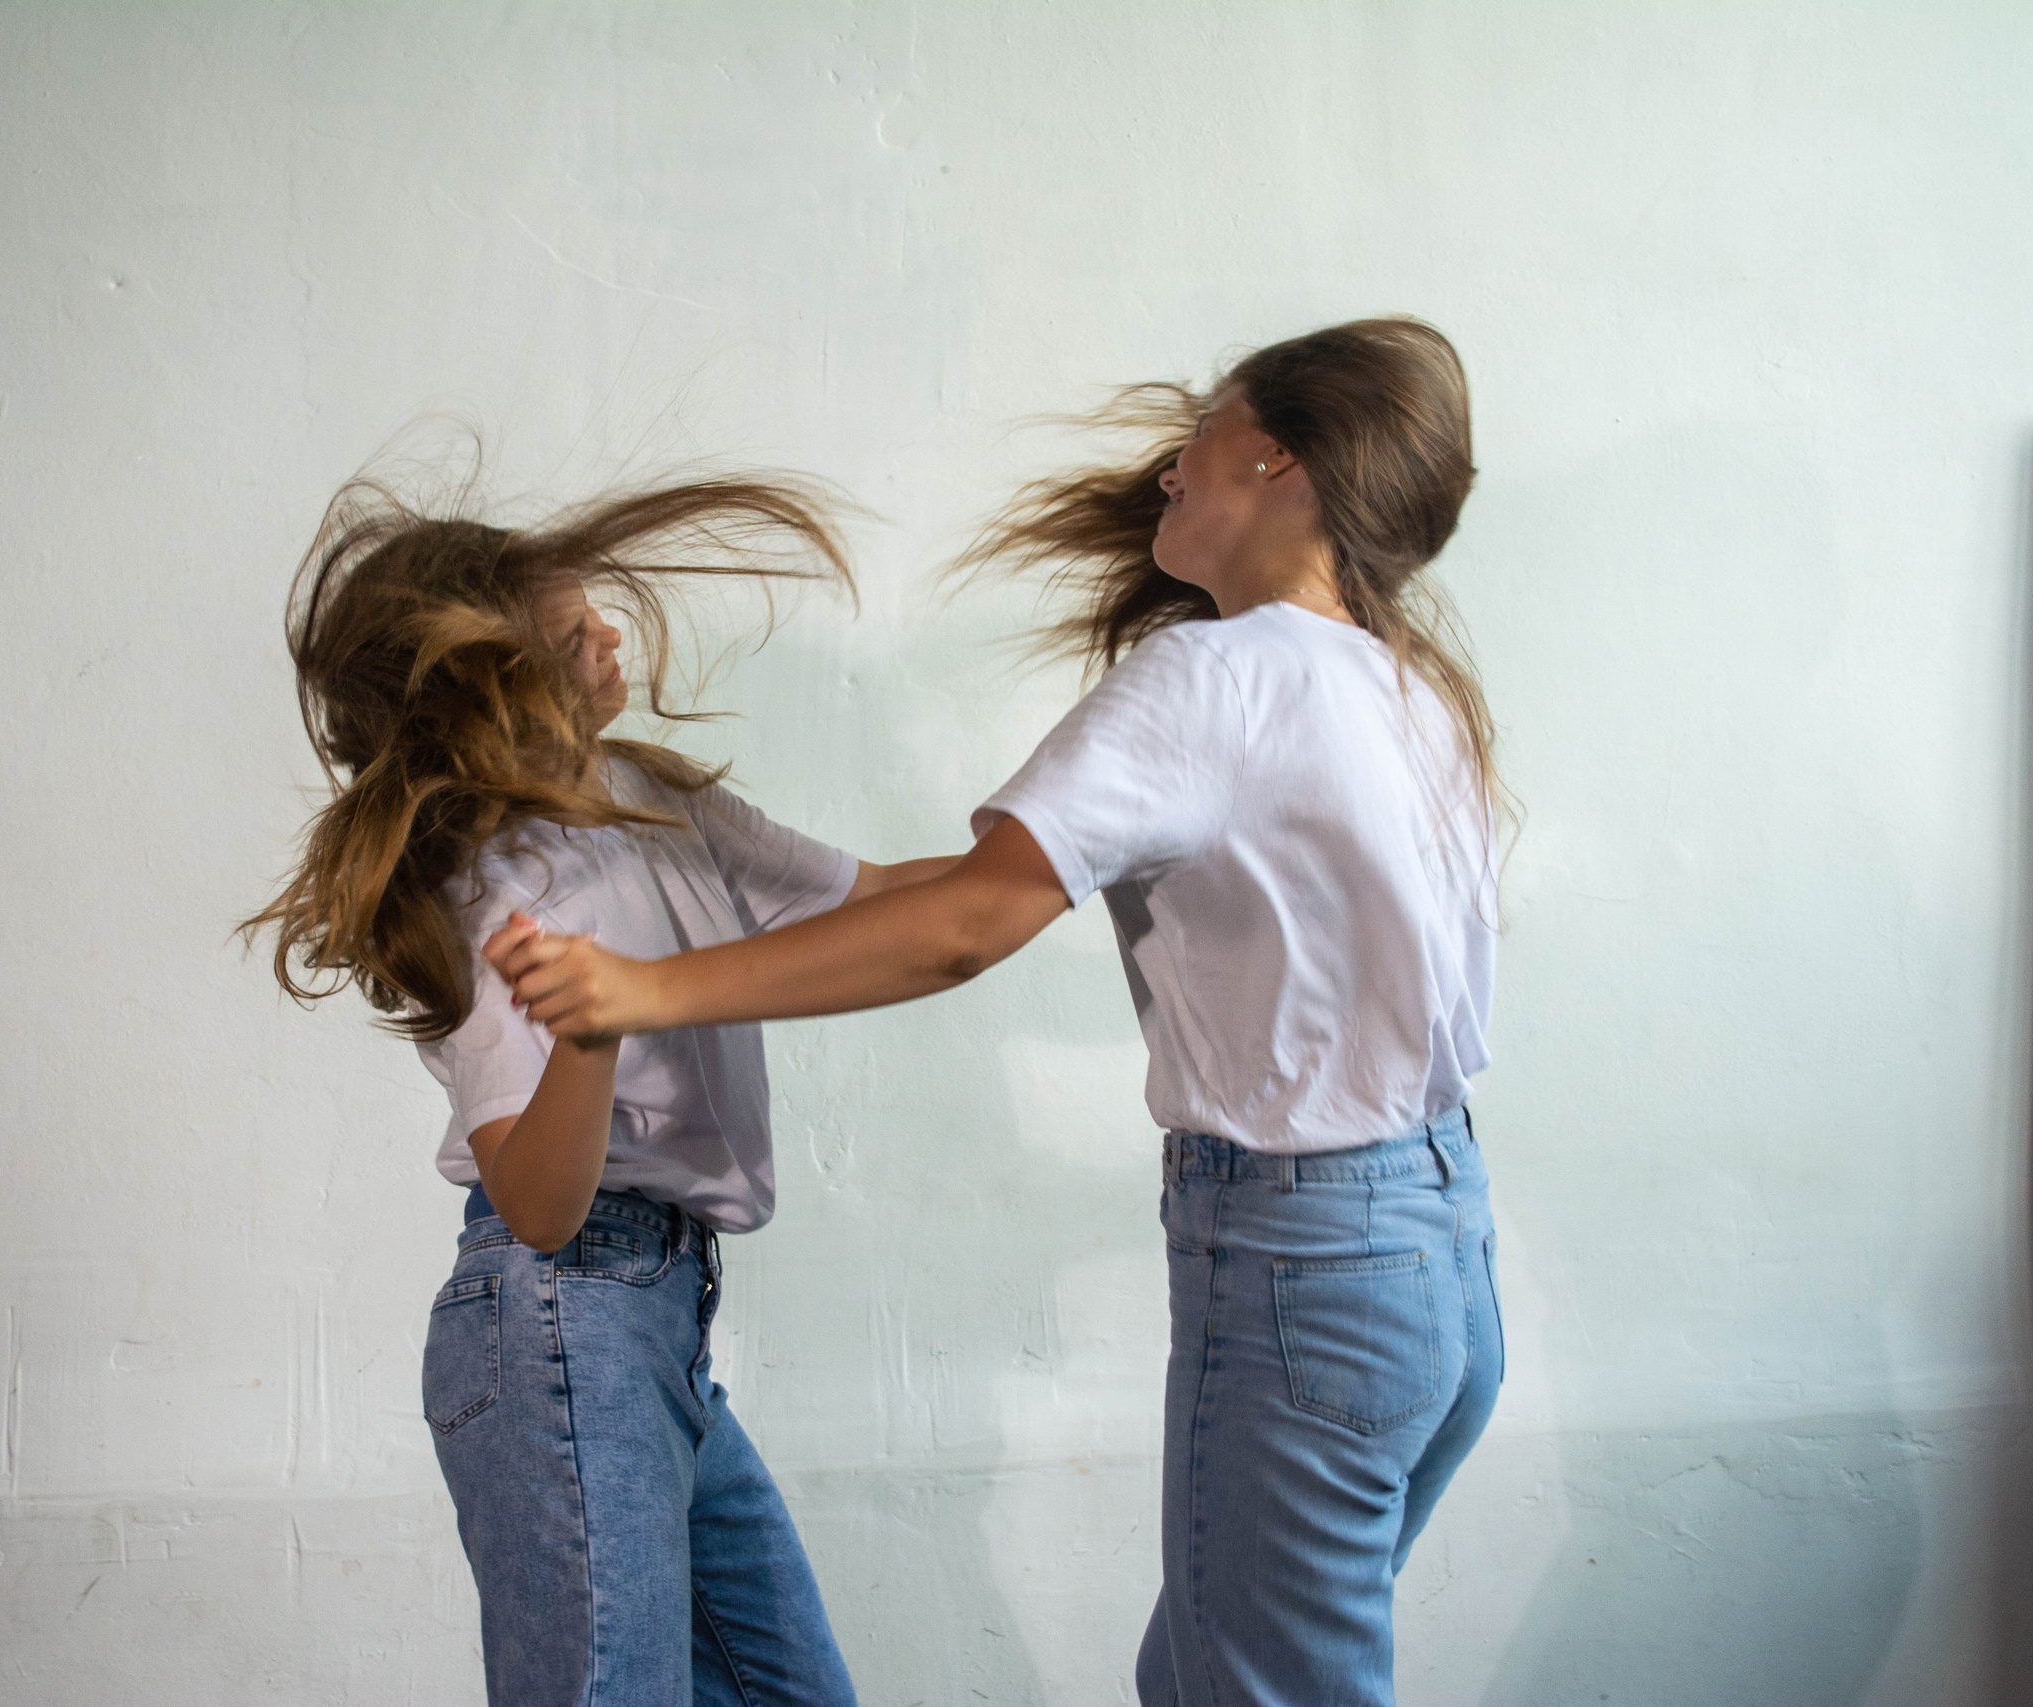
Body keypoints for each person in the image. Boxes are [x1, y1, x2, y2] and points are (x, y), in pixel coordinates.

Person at [487, 318, 1508, 1707]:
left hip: (1305, 1266)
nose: (1166, 470)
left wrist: (645, 988)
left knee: (1248, 1679)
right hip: (1439, 1264)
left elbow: (969, 924)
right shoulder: (1409, 687)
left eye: (1201, 430)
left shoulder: (1213, 677)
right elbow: (959, 892)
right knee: (1216, 1663)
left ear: (1274, 455)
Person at [248, 467, 949, 1706]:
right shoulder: (490, 883)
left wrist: (1070, 842)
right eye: (576, 636)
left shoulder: (650, 794)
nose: (611, 637)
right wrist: (591, 1031)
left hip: (655, 1328)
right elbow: (535, 1202)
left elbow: (877, 895)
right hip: (560, 1310)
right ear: (495, 693)